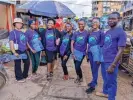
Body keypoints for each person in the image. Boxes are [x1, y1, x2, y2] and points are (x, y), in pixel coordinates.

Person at [96, 12, 127, 100]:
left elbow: (121, 50)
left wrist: (113, 65)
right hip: (105, 60)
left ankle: (112, 98)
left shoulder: (121, 33)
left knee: (111, 83)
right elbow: (106, 46)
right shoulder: (108, 31)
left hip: (111, 62)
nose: (110, 20)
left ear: (119, 19)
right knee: (107, 80)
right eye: (109, 18)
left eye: (113, 18)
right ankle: (106, 93)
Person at [86, 18, 104, 94]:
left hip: (96, 54)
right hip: (90, 53)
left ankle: (93, 86)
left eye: (96, 22)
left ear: (99, 23)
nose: (94, 23)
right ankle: (94, 81)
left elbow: (102, 45)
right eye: (93, 22)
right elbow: (88, 43)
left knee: (95, 70)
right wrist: (87, 53)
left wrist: (99, 57)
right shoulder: (90, 32)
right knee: (92, 69)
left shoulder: (101, 33)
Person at [9, 18, 30, 83]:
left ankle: (24, 75)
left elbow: (26, 40)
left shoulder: (22, 32)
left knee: (27, 62)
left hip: (23, 50)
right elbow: (11, 42)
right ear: (14, 24)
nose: (19, 24)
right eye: (18, 23)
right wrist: (14, 52)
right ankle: (19, 78)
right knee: (17, 64)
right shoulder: (12, 32)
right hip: (17, 50)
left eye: (21, 23)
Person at [71, 19, 88, 84]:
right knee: (76, 65)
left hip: (82, 53)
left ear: (84, 25)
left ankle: (80, 76)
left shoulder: (87, 33)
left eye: (82, 24)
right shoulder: (76, 33)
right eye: (79, 24)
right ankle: (79, 77)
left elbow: (89, 43)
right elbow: (72, 43)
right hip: (75, 51)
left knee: (77, 66)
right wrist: (72, 53)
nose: (81, 25)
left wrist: (87, 54)